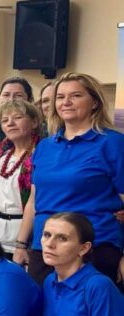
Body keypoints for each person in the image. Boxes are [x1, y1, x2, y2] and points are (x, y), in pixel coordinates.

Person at [17, 72, 124, 285]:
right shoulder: (44, 147)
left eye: (76, 96)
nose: (66, 102)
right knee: (39, 306)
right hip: (44, 248)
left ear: (95, 102)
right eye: (60, 97)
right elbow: (33, 201)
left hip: (93, 249)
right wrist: (20, 245)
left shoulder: (113, 143)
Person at [0, 100, 40, 258]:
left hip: (23, 238)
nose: (10, 123)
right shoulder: (1, 153)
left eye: (17, 117)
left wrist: (21, 243)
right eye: (5, 120)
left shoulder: (40, 154)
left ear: (34, 122)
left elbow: (35, 201)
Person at [0, 77, 33, 143]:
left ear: (30, 100)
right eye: (6, 95)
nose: (11, 99)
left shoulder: (41, 132)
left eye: (18, 95)